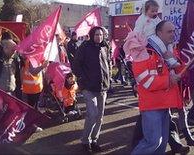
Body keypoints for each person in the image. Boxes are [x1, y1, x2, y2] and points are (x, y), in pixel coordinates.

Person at [124, 20, 184, 154]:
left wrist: (178, 62)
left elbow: (180, 72)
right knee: (153, 142)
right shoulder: (145, 51)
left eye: (174, 31)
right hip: (152, 106)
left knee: (161, 144)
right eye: (169, 31)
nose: (173, 34)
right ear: (159, 33)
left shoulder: (168, 51)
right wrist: (169, 80)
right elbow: (144, 79)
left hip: (164, 104)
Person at [74, 26, 110, 153]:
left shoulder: (105, 46)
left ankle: (94, 140)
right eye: (96, 35)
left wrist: (108, 80)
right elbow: (76, 65)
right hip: (89, 87)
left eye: (101, 35)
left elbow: (108, 64)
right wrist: (83, 79)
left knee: (100, 117)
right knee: (92, 114)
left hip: (102, 87)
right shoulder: (84, 47)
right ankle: (85, 141)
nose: (99, 37)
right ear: (91, 35)